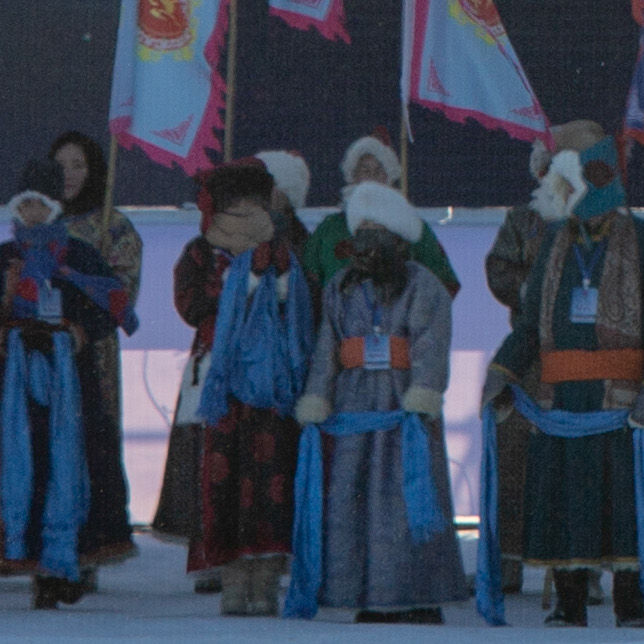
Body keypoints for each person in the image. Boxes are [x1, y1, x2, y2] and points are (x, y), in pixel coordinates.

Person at [483, 124, 644, 624]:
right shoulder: (552, 243)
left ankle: (630, 602)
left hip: (622, 400)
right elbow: (531, 324)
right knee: (565, 498)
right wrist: (502, 370)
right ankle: (569, 600)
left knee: (624, 500)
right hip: (561, 401)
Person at [0, 152, 135, 610]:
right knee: (22, 463)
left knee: (72, 463)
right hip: (15, 385)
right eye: (25, 204)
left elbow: (110, 306)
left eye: (40, 203)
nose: (32, 212)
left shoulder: (80, 257)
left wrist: (79, 331)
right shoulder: (1, 260)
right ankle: (33, 562)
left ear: (55, 207)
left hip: (71, 382)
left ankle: (69, 564)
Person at [303, 182, 464, 619]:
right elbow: (327, 347)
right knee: (352, 499)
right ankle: (361, 594)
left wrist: (423, 394)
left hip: (402, 408)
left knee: (407, 500)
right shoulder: (339, 287)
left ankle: (418, 596)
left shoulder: (423, 286)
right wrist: (318, 395)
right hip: (353, 407)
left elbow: (432, 345)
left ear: (398, 240)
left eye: (377, 234)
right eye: (361, 233)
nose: (366, 245)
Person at [181, 161, 311, 615]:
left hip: (272, 386)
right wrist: (242, 284)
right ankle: (232, 579)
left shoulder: (285, 253)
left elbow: (301, 306)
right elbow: (189, 303)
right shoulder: (202, 253)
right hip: (222, 383)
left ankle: (267, 580)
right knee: (225, 481)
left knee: (273, 480)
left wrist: (271, 279)